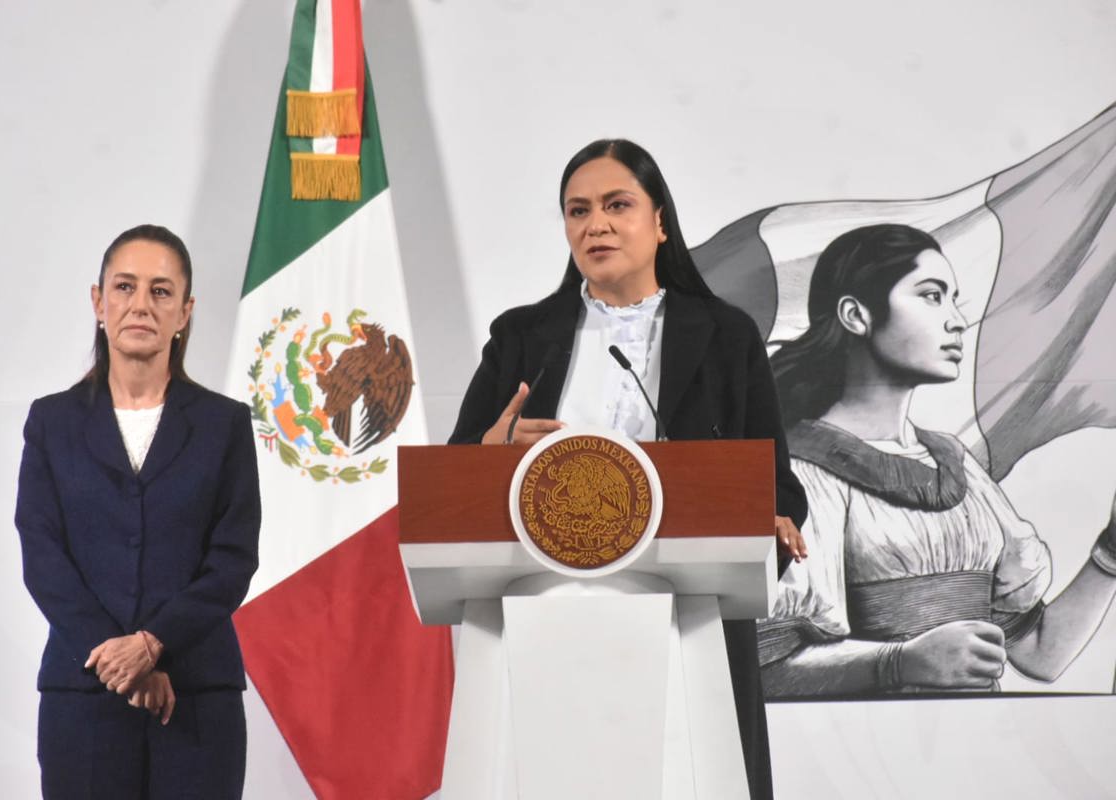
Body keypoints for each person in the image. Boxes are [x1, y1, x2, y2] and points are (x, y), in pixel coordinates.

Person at [449, 139, 809, 799]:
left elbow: (777, 484)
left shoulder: (726, 337)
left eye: (618, 205)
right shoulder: (522, 339)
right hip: (541, 620)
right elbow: (450, 482)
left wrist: (771, 523)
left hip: (685, 620)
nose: (596, 225)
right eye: (577, 210)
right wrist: (487, 456)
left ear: (661, 222)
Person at [758, 223, 1116, 696]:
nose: (956, 320)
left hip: (976, 747)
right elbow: (767, 667)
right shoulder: (799, 471)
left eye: (953, 298)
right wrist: (899, 662)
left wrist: (1111, 550)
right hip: (861, 751)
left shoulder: (957, 465)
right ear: (855, 315)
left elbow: (1040, 654)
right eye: (931, 296)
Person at [15, 224, 261, 799]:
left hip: (199, 699)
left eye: (160, 291)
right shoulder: (52, 423)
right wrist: (119, 661)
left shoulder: (224, 425)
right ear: (99, 303)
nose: (140, 305)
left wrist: (153, 644)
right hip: (83, 701)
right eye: (124, 287)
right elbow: (43, 556)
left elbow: (232, 560)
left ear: (185, 312)